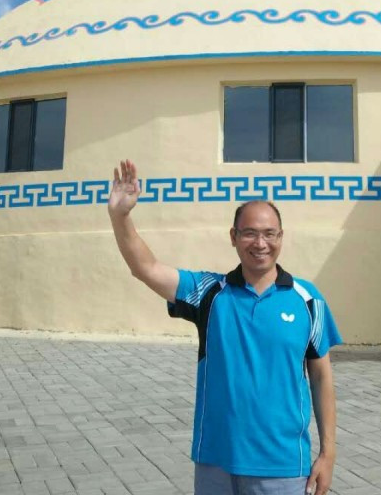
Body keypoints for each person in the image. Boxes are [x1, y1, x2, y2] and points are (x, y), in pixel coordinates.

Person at [108, 160, 342, 495]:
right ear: (234, 237)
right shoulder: (209, 293)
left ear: (281, 237)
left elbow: (321, 377)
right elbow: (146, 268)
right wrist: (121, 217)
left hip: (284, 467)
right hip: (216, 463)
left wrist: (328, 453)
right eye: (249, 233)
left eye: (269, 234)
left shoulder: (308, 300)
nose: (260, 243)